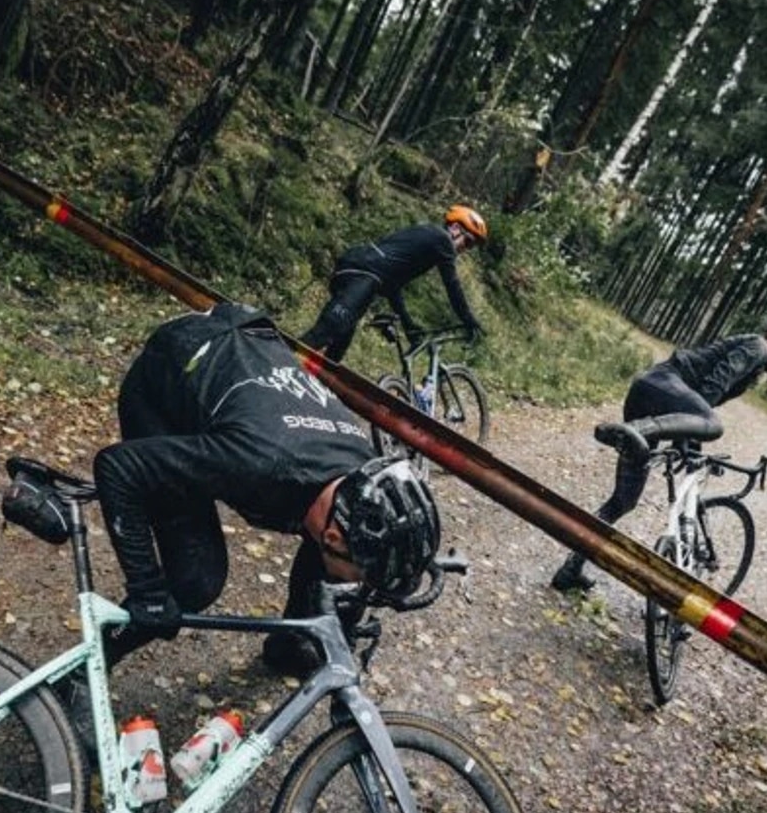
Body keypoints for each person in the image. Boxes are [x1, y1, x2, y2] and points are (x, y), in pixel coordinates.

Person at [93, 299, 443, 674]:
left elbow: (355, 545)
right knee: (196, 579)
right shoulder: (259, 463)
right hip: (167, 382)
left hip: (247, 350)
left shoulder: (359, 477)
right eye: (358, 578)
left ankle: (289, 645)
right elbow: (117, 466)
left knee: (331, 560)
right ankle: (86, 670)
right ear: (335, 538)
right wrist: (146, 588)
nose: (355, 587)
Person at [549, 313, 767, 593]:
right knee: (714, 425)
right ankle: (634, 431)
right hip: (663, 388)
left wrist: (687, 440)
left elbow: (697, 405)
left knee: (623, 501)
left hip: (652, 398)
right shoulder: (759, 347)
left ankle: (570, 569)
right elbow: (711, 390)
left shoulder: (756, 361)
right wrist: (689, 437)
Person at [299, 205, 489, 361]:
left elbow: (393, 287)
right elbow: (452, 286)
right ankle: (274, 365)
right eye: (468, 242)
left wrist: (408, 326)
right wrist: (468, 320)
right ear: (455, 228)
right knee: (324, 333)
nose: (466, 249)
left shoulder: (425, 240)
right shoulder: (442, 240)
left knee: (336, 349)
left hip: (360, 272)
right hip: (364, 274)